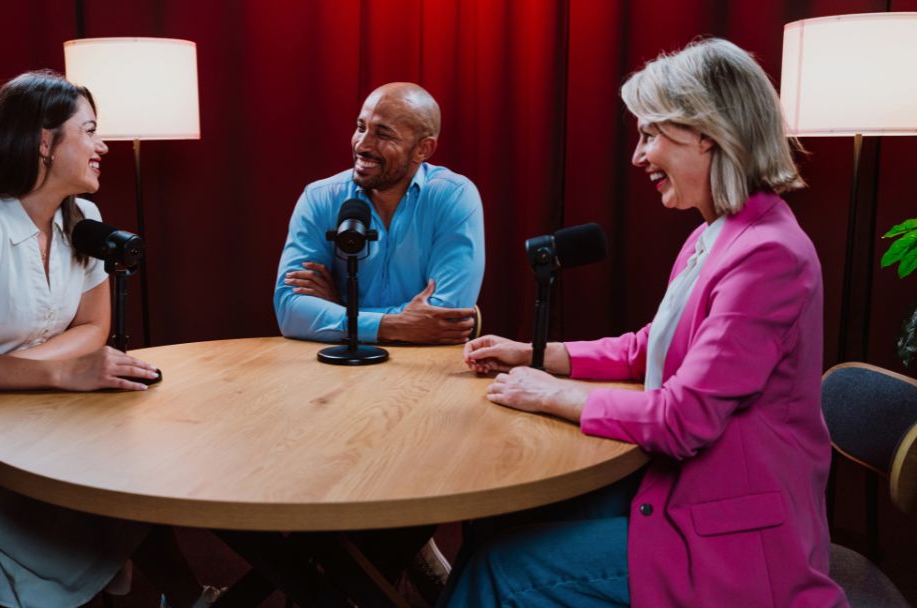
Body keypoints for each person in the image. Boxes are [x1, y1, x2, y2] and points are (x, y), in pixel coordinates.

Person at [448, 38, 848, 606]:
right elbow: (650, 349)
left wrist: (555, 395)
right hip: (690, 489)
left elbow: (684, 418)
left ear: (707, 133)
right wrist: (534, 354)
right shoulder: (713, 235)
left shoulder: (769, 255)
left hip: (734, 530)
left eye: (650, 134)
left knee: (500, 569)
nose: (638, 156)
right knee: (499, 521)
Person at [0, 71, 217, 608]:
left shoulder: (85, 220)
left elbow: (92, 328)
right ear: (44, 142)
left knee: (130, 491)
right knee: (67, 535)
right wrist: (57, 372)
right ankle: (181, 596)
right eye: (91, 130)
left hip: (28, 418)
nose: (103, 146)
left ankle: (180, 597)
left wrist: (2, 382)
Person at [274, 81, 485, 345]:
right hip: (337, 371)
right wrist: (392, 325)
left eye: (383, 135)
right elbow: (290, 312)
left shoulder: (454, 197)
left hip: (424, 372)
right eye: (361, 128)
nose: (362, 145)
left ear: (423, 149)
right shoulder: (318, 198)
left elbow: (445, 319)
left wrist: (339, 310)